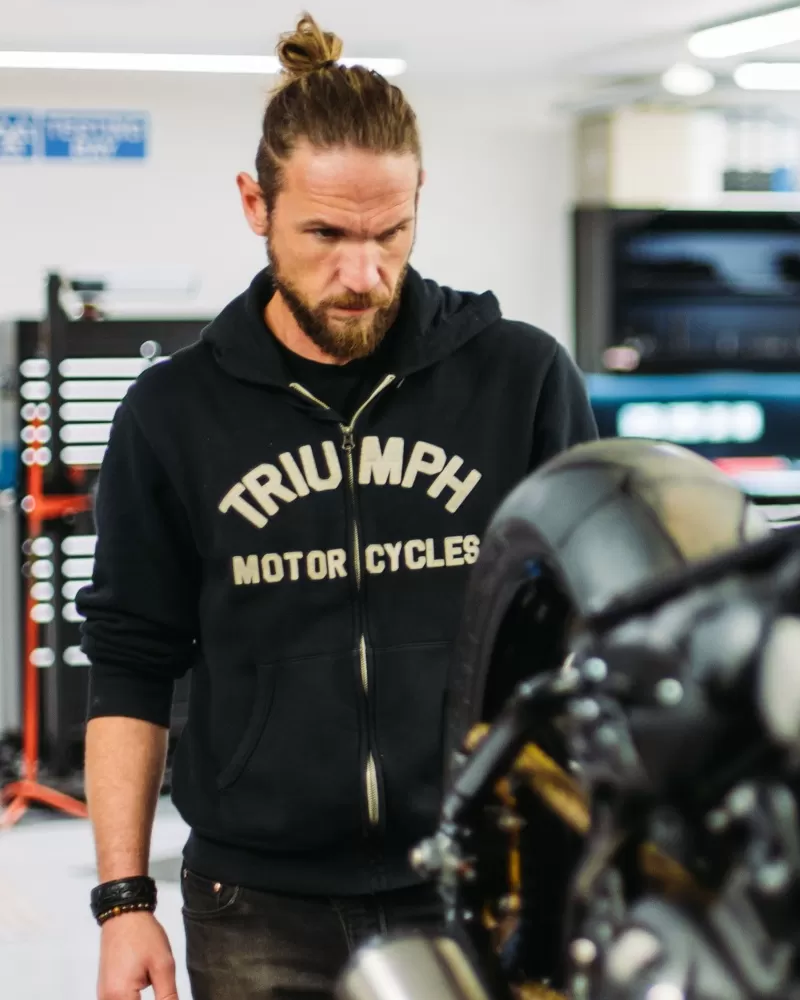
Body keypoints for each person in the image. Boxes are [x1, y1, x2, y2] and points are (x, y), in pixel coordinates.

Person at [78, 13, 598, 1000]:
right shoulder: (171, 414)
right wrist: (122, 897)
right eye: (324, 233)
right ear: (254, 204)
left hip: (486, 882)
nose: (362, 274)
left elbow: (589, 633)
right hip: (258, 902)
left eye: (388, 232)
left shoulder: (520, 378)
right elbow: (131, 665)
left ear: (418, 203)